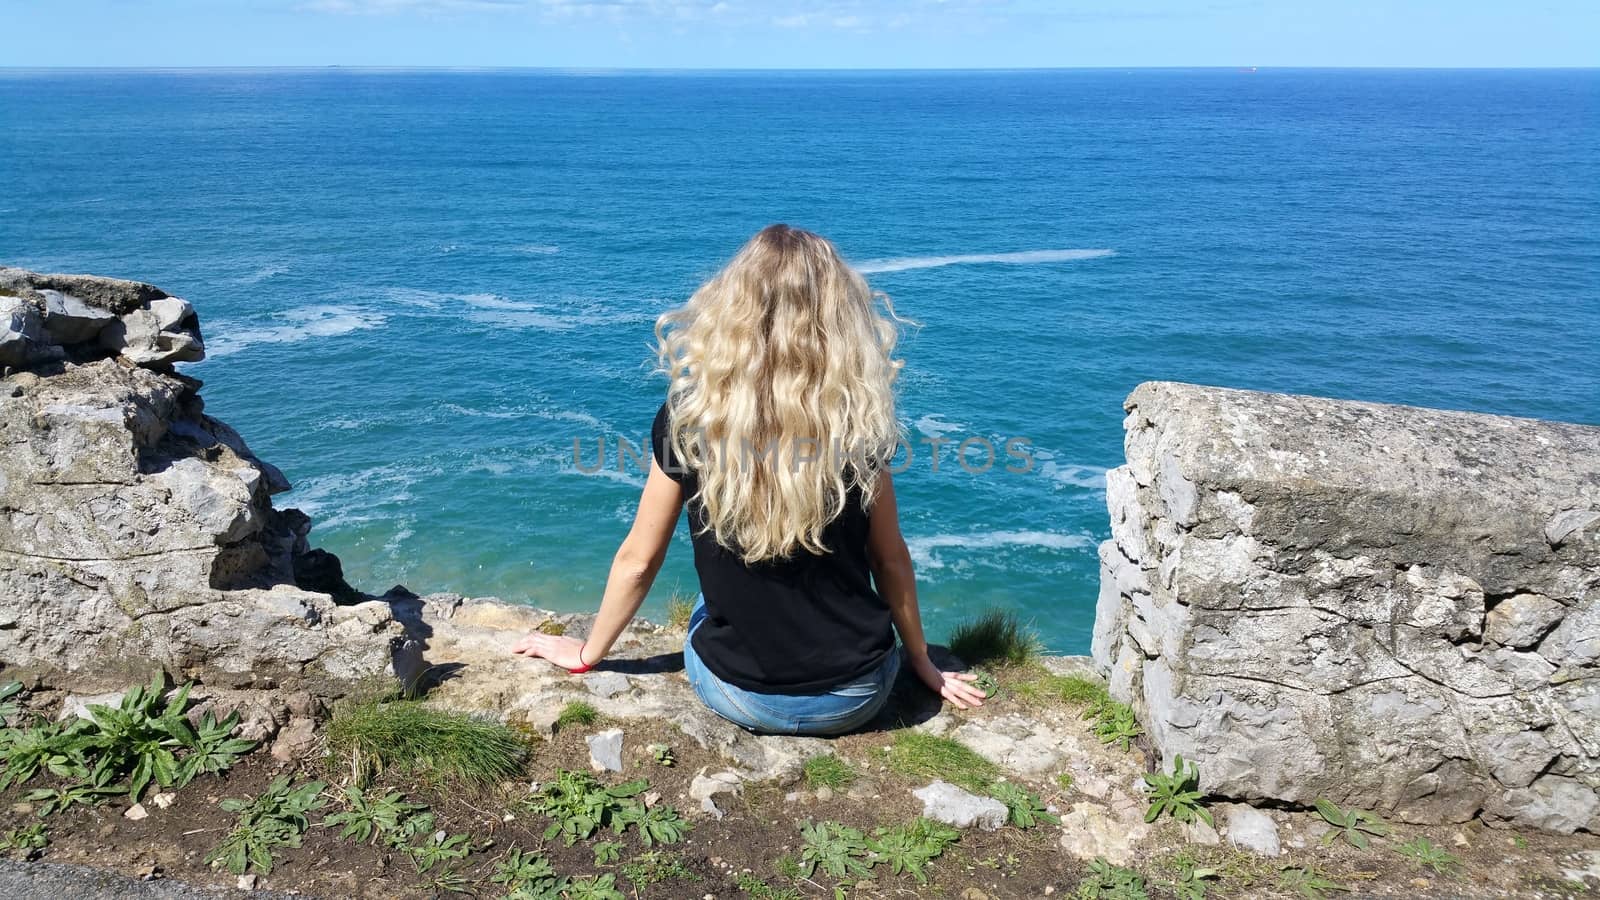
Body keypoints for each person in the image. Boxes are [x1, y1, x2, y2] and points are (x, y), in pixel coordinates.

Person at [511, 224, 985, 735]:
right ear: (838, 319)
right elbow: (889, 558)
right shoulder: (859, 424)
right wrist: (920, 659)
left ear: (731, 311)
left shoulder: (689, 420)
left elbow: (639, 561)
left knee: (705, 603)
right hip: (861, 694)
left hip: (744, 696)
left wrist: (587, 653)